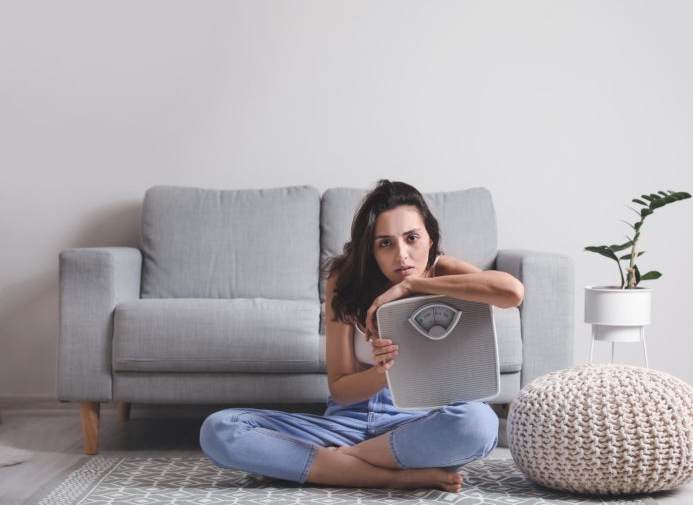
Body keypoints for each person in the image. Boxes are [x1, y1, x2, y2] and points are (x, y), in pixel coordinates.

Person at [199, 180, 524, 492]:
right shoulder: (344, 280)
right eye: (385, 243)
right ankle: (395, 478)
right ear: (370, 250)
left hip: (416, 427)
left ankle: (333, 467)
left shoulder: (442, 272)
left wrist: (414, 285)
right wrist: (385, 372)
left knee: (479, 423)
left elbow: (511, 292)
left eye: (412, 238)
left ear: (430, 238)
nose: (401, 255)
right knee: (220, 429)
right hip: (346, 426)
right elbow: (340, 390)